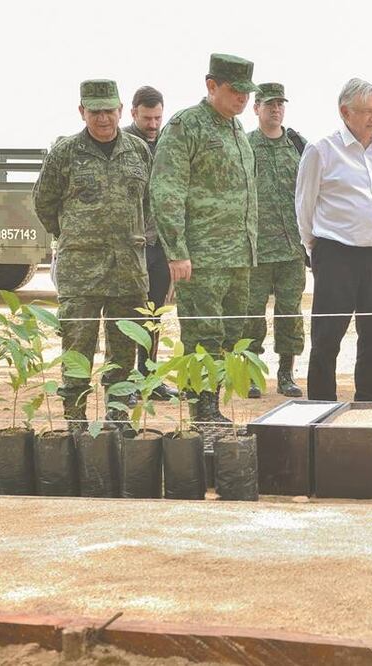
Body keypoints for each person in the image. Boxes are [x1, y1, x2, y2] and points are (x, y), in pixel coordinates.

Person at [33, 80, 151, 428]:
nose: (103, 118)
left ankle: (117, 416)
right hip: (80, 272)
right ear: (82, 112)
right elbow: (44, 202)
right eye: (95, 111)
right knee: (77, 348)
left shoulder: (139, 150)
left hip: (128, 269)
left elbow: (145, 203)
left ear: (120, 110)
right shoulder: (65, 153)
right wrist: (73, 235)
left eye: (108, 110)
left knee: (124, 347)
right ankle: (75, 422)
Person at [149, 54, 259, 426]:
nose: (242, 98)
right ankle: (203, 411)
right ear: (211, 85)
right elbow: (166, 191)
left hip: (238, 257)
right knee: (203, 336)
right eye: (234, 90)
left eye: (246, 91)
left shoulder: (237, 130)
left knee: (230, 334)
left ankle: (215, 406)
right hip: (202, 257)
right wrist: (177, 251)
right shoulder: (186, 126)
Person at [296, 78, 372, 402]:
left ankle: (371, 400)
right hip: (336, 251)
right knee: (328, 335)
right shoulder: (321, 149)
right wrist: (314, 247)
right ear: (344, 112)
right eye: (366, 111)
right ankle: (321, 404)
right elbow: (304, 203)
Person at [243, 82, 306, 399]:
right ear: (256, 108)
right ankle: (252, 374)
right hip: (256, 249)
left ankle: (286, 374)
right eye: (269, 104)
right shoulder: (244, 145)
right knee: (251, 315)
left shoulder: (297, 145)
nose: (276, 109)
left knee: (289, 314)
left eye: (280, 104)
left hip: (292, 248)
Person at [122, 85, 178, 402]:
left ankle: (150, 378)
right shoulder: (123, 143)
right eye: (147, 118)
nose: (154, 124)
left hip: (160, 246)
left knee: (154, 315)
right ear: (133, 113)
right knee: (129, 315)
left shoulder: (166, 144)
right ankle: (126, 382)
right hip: (131, 246)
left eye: (158, 117)